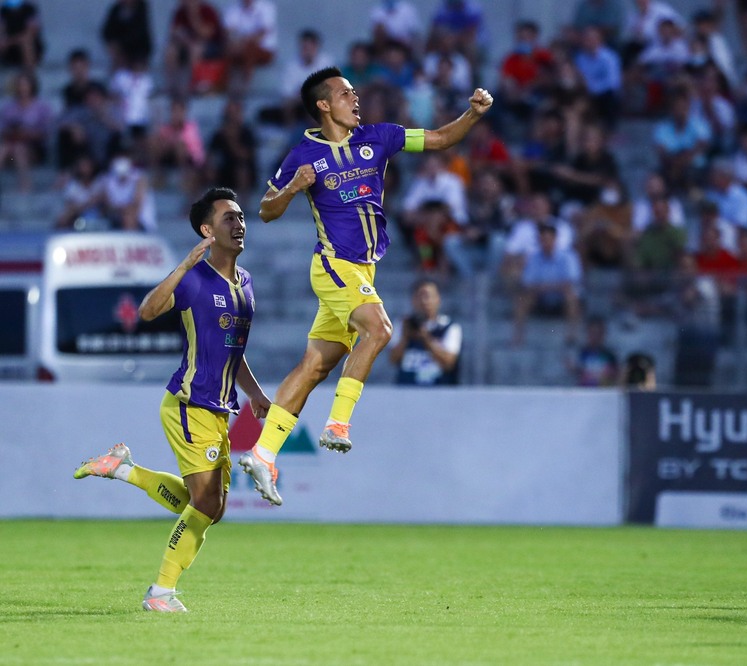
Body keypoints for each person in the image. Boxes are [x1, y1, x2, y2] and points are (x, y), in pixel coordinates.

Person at [238, 66, 492, 505]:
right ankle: (338, 423)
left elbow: (438, 139)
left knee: (315, 366)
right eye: (345, 93)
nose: (355, 100)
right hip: (335, 266)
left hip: (363, 270)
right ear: (323, 104)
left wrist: (471, 115)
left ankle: (262, 453)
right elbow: (264, 211)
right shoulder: (302, 155)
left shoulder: (381, 137)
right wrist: (293, 188)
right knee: (380, 329)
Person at [72, 187, 270, 613]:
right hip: (188, 403)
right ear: (206, 230)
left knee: (212, 509)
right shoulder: (195, 279)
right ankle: (161, 592)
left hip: (220, 410)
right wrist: (182, 265)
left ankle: (125, 470)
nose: (239, 224)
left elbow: (232, 351)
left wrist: (254, 394)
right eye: (227, 219)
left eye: (240, 217)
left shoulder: (246, 283)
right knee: (204, 503)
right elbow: (147, 311)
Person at [389, 278, 462, 385]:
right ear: (413, 299)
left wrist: (426, 339)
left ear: (438, 299)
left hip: (439, 391)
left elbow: (449, 363)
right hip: (406, 391)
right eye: (420, 296)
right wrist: (405, 337)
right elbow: (393, 359)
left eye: (428, 296)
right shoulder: (403, 324)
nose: (424, 301)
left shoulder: (450, 327)